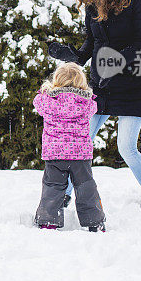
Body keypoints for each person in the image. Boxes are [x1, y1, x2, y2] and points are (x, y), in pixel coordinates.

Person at [48, 0, 141, 210]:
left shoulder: (138, 1)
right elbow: (93, 41)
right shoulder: (93, 2)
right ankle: (62, 195)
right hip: (102, 84)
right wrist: (73, 58)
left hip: (132, 81)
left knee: (126, 148)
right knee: (80, 140)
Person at [33, 63, 105, 231]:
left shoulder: (47, 100)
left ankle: (48, 220)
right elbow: (94, 107)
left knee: (53, 187)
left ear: (56, 80)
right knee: (86, 188)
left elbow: (37, 101)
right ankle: (94, 222)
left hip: (55, 154)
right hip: (80, 155)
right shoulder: (86, 102)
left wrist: (47, 90)